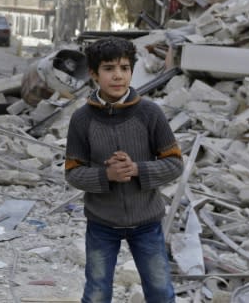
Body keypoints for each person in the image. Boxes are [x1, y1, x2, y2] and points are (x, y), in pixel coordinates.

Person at [64, 37, 183, 303]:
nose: (118, 76)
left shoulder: (150, 114)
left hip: (147, 223)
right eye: (108, 68)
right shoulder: (82, 120)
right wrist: (106, 176)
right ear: (94, 74)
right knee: (96, 293)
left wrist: (136, 169)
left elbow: (174, 163)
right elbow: (72, 172)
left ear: (131, 70)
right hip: (102, 223)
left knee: (161, 292)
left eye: (124, 68)